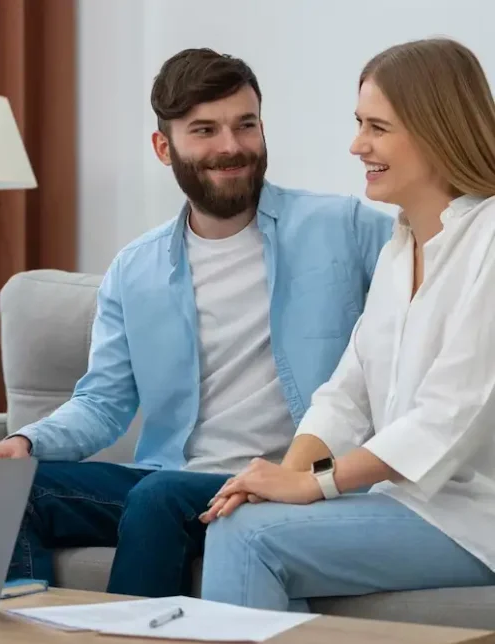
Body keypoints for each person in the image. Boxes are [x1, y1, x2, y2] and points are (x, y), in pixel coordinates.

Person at [0, 47, 394, 598]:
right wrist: (28, 442)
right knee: (11, 490)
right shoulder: (135, 269)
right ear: (163, 147)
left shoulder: (345, 228)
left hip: (292, 485)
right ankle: (29, 641)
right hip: (175, 483)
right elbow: (103, 402)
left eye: (246, 125)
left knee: (159, 497)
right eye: (205, 130)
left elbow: (437, 292)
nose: (231, 146)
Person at [199, 37, 495, 611]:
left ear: (436, 131)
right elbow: (347, 394)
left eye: (377, 128)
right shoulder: (399, 247)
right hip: (402, 503)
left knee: (250, 538)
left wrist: (317, 483)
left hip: (473, 517)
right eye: (360, 124)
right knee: (247, 519)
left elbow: (451, 414)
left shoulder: (489, 241)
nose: (357, 145)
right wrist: (278, 481)